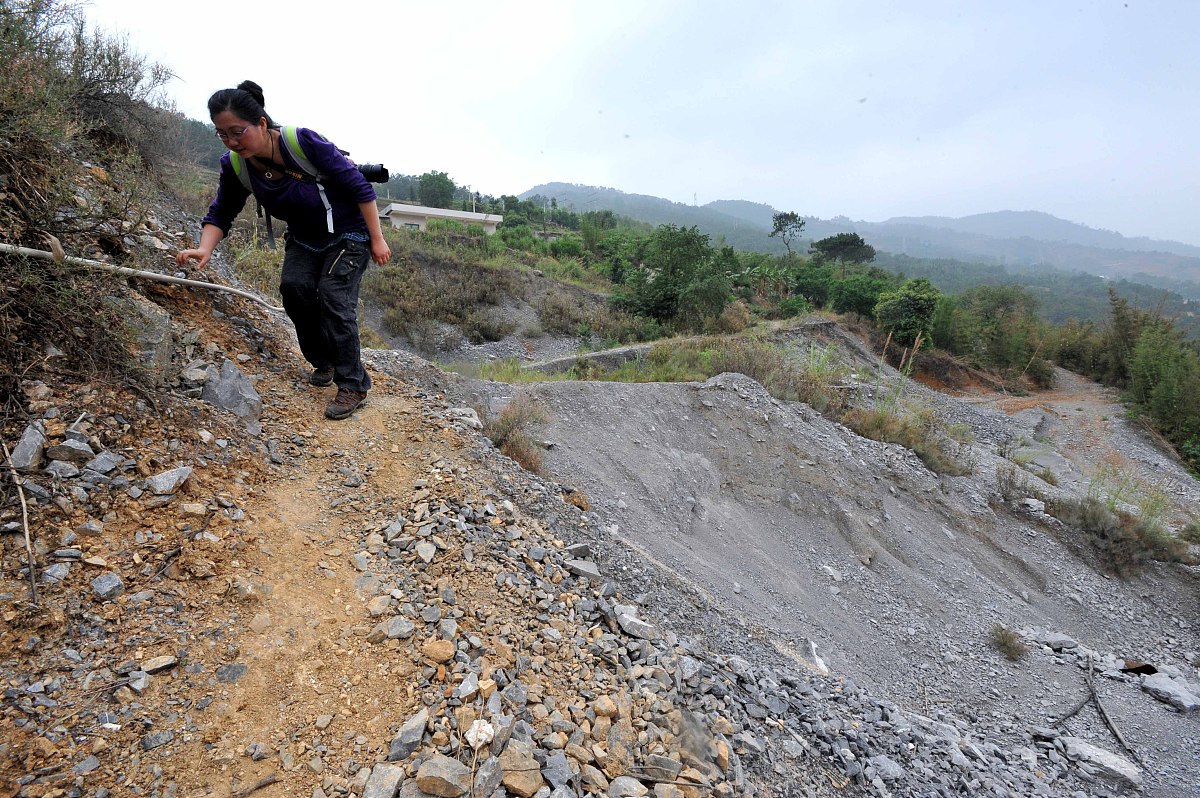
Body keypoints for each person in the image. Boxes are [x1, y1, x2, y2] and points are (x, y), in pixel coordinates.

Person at [176, 80, 390, 420]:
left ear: (261, 123)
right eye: (222, 134)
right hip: (304, 236)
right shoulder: (235, 165)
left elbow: (359, 187)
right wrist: (205, 249)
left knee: (335, 298)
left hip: (350, 233)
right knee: (294, 290)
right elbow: (222, 211)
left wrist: (377, 239)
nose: (232, 141)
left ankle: (353, 384)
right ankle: (325, 361)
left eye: (238, 132)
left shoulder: (303, 142)